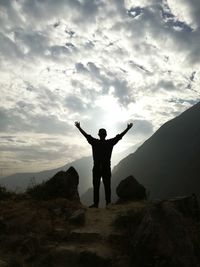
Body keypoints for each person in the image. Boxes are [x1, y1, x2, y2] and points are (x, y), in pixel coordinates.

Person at [75, 121, 133, 208]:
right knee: (107, 187)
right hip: (106, 168)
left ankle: (96, 204)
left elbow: (86, 135)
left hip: (97, 168)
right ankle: (108, 204)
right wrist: (127, 128)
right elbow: (119, 136)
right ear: (105, 135)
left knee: (96, 187)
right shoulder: (109, 143)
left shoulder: (95, 142)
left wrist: (79, 127)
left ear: (99, 135)